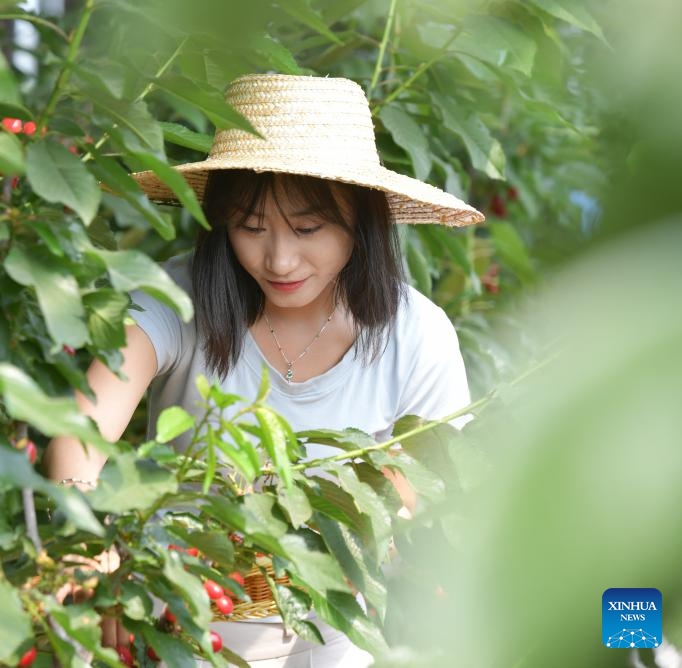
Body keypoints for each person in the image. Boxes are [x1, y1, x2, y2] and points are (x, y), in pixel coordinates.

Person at [43, 73, 484, 666]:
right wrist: (86, 543)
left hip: (338, 627)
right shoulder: (174, 299)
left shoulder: (417, 336)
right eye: (250, 227)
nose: (277, 259)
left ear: (363, 222)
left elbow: (421, 487)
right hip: (188, 623)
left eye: (307, 229)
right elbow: (83, 428)